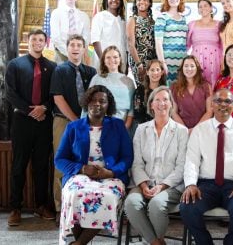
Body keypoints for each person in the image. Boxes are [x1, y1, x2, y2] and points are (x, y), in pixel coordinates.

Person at [180, 88, 233, 245]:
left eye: (228, 101)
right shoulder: (199, 130)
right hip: (206, 185)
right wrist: (190, 184)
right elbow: (191, 160)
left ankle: (230, 242)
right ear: (211, 104)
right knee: (187, 207)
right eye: (218, 101)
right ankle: (204, 242)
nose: (223, 104)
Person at [54, 85, 133, 245]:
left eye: (102, 101)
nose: (97, 104)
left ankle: (78, 243)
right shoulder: (73, 127)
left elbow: (127, 157)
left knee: (108, 197)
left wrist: (110, 172)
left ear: (108, 105)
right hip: (80, 176)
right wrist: (82, 168)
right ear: (86, 102)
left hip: (111, 177)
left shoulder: (118, 126)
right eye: (93, 100)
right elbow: (59, 159)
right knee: (74, 195)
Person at [5, 29, 57, 226]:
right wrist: (30, 110)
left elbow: (55, 94)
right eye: (34, 39)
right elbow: (10, 93)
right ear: (28, 42)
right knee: (19, 165)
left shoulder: (52, 67)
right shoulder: (15, 65)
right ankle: (15, 208)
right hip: (22, 121)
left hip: (44, 121)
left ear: (46, 42)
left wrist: (44, 107)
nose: (37, 42)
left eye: (41, 39)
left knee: (42, 166)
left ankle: (41, 205)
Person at [124, 86, 188, 245]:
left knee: (156, 205)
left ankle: (152, 241)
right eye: (157, 100)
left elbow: (181, 167)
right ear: (151, 105)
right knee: (131, 203)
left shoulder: (181, 131)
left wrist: (161, 187)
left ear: (171, 104)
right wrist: (144, 185)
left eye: (165, 99)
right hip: (144, 182)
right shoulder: (141, 129)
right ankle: (156, 242)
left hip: (171, 186)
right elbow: (136, 163)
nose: (162, 103)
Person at [49, 34, 97, 225]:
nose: (76, 48)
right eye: (72, 45)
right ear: (67, 49)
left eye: (79, 45)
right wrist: (76, 120)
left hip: (88, 123)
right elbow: (58, 98)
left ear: (84, 49)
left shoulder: (92, 72)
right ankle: (61, 208)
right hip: (64, 122)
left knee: (85, 161)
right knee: (62, 163)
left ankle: (83, 207)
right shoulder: (60, 70)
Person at [89, 46, 135, 130]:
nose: (112, 60)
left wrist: (124, 129)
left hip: (122, 127)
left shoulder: (129, 82)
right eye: (108, 57)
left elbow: (131, 110)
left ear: (120, 59)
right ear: (104, 60)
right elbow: (88, 105)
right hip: (100, 127)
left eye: (115, 57)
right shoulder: (96, 79)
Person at [154, 0, 188, 85]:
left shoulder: (184, 18)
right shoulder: (162, 17)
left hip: (182, 63)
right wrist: (162, 63)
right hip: (167, 63)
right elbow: (158, 43)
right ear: (167, 0)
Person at [50, 0, 91, 64]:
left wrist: (78, 52)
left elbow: (86, 38)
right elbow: (56, 38)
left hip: (79, 56)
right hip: (61, 55)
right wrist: (69, 53)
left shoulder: (84, 16)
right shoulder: (56, 13)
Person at [186, 0, 223, 87]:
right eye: (200, 7)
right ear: (198, 10)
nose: (203, 8)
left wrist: (223, 61)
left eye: (205, 5)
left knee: (214, 85)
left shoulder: (219, 24)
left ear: (211, 8)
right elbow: (186, 44)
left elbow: (223, 45)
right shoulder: (192, 24)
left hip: (215, 59)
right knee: (197, 85)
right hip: (197, 59)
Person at [171, 55, 213, 133]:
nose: (189, 69)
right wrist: (185, 130)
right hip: (182, 130)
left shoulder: (206, 86)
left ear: (197, 68)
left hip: (203, 129)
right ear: (182, 68)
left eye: (192, 66)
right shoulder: (174, 87)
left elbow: (209, 111)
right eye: (186, 66)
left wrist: (195, 130)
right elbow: (174, 112)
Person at [91, 0, 127, 72]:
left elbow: (125, 43)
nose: (114, 0)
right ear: (106, 0)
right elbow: (95, 40)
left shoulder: (122, 20)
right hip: (104, 61)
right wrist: (103, 60)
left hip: (120, 62)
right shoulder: (100, 16)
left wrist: (125, 63)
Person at [127, 0, 157, 86]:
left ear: (150, 3)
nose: (142, 2)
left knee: (152, 88)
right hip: (138, 60)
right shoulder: (132, 20)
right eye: (139, 0)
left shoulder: (153, 21)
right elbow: (130, 44)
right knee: (143, 88)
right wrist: (139, 65)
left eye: (145, 0)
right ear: (136, 2)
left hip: (152, 61)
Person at [133, 59, 167, 125]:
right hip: (144, 127)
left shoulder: (166, 91)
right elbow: (137, 114)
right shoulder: (139, 90)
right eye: (152, 70)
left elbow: (169, 112)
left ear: (162, 72)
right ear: (147, 72)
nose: (155, 73)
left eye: (157, 70)